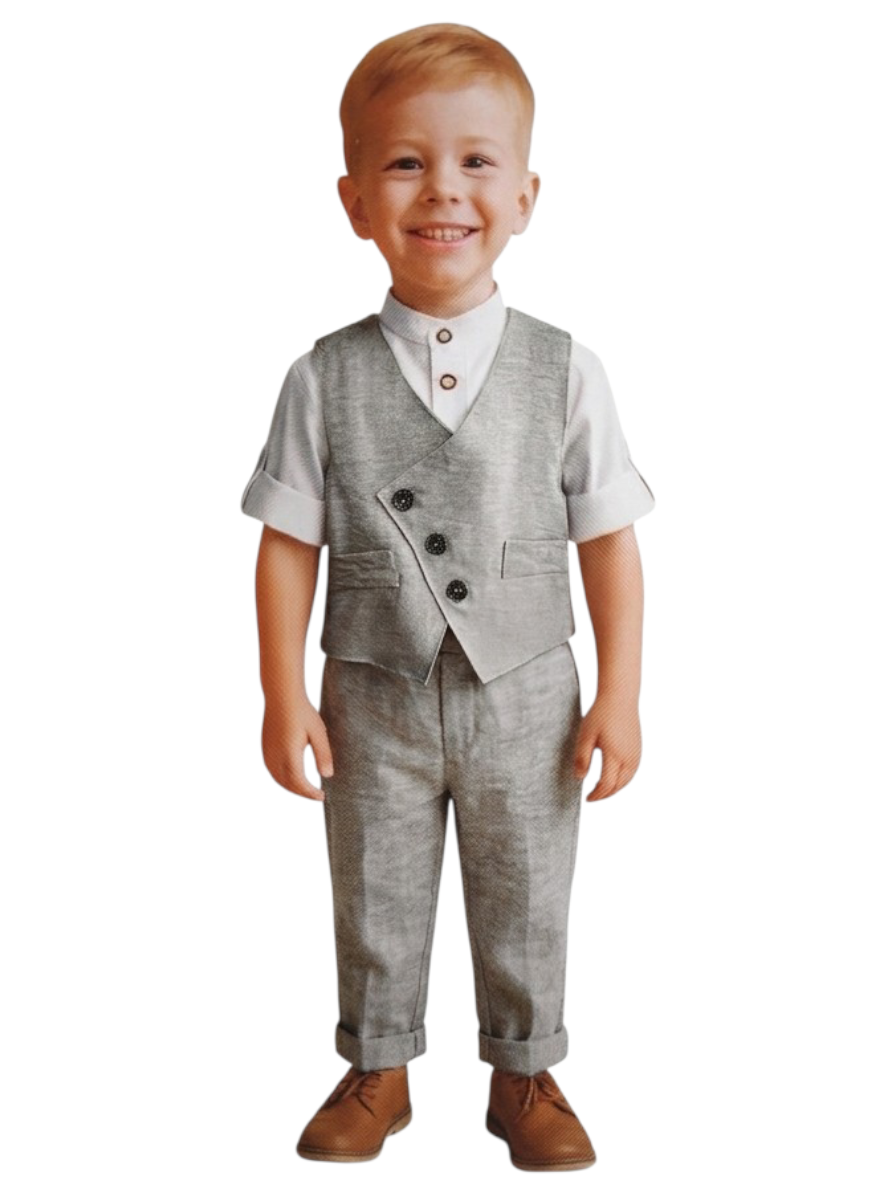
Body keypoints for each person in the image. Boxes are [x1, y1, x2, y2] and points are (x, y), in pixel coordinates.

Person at [240, 22, 655, 1172]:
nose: (441, 190)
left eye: (476, 161)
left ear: (524, 195)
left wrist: (618, 694)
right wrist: (281, 693)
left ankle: (524, 1070)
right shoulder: (320, 376)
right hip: (370, 688)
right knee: (372, 881)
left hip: (526, 687)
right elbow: (284, 546)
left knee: (527, 883)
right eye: (404, 162)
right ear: (352, 201)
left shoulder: (566, 369)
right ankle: (378, 1067)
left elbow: (609, 541)